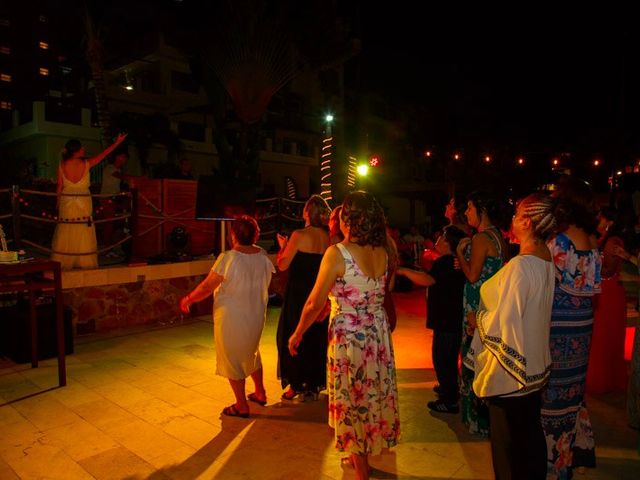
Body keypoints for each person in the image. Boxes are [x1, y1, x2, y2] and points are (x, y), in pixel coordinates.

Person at [288, 191, 400, 480]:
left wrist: (298, 331)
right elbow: (366, 291)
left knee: (353, 400)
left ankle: (361, 471)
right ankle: (361, 457)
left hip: (350, 338)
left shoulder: (338, 253)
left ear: (349, 219)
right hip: (376, 334)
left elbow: (313, 302)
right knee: (370, 396)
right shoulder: (384, 250)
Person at [465, 193, 557, 480]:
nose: (513, 218)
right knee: (529, 439)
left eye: (517, 214)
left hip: (511, 375)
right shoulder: (546, 258)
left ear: (528, 222)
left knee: (507, 452)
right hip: (533, 369)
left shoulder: (521, 267)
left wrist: (476, 318)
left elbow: (503, 323)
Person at [179, 216, 274, 417]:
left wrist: (188, 298)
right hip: (256, 314)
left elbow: (207, 286)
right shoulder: (263, 255)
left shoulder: (229, 258)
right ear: (256, 234)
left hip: (232, 317)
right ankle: (260, 392)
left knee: (232, 359)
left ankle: (241, 405)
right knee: (252, 352)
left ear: (233, 235)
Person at [541, 176, 601, 479]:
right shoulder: (591, 240)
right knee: (572, 393)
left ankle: (553, 465)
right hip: (582, 327)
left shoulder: (560, 241)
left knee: (550, 394)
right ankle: (566, 458)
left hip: (557, 325)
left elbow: (543, 283)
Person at [396, 225, 467, 413]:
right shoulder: (452, 261)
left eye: (443, 236)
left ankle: (449, 399)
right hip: (450, 319)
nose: (438, 237)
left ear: (448, 243)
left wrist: (403, 271)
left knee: (443, 359)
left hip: (447, 320)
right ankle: (447, 389)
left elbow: (428, 279)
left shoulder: (446, 261)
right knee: (447, 358)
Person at [456, 190, 509, 436]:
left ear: (482, 210)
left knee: (472, 359)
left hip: (476, 307)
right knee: (487, 359)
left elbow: (473, 275)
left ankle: (475, 421)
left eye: (469, 208)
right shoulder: (498, 236)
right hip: (492, 305)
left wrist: (459, 253)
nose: (466, 212)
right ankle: (488, 419)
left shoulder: (479, 239)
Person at [276, 194, 331, 401]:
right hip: (318, 292)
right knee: (315, 337)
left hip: (298, 294)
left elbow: (283, 264)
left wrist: (283, 246)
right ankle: (312, 384)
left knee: (291, 336)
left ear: (306, 212)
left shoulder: (299, 235)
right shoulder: (327, 237)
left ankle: (295, 384)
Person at [51, 133, 127, 270]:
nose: (84, 150)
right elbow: (104, 154)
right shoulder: (86, 164)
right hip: (83, 199)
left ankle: (64, 260)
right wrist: (117, 142)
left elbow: (59, 186)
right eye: (81, 148)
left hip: (66, 199)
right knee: (83, 228)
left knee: (67, 228)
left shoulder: (62, 165)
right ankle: (84, 261)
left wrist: (58, 202)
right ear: (76, 150)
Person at [587, 206, 628, 394]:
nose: (599, 221)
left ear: (609, 221)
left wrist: (590, 266)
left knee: (603, 336)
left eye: (601, 218)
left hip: (608, 292)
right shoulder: (602, 239)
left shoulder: (612, 241)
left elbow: (609, 270)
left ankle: (603, 379)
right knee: (602, 337)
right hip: (607, 291)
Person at [99, 148, 129, 257]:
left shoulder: (118, 170)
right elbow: (122, 177)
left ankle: (115, 247)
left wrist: (123, 192)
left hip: (115, 199)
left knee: (117, 224)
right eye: (123, 157)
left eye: (125, 158)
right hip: (107, 199)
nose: (124, 160)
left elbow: (116, 186)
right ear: (117, 157)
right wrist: (137, 179)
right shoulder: (110, 168)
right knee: (109, 224)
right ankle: (108, 249)